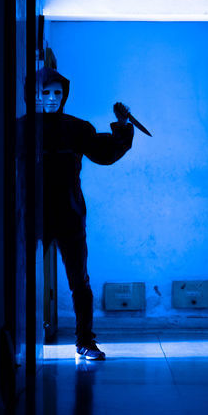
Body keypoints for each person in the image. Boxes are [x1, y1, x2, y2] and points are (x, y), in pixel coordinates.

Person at [34, 56, 135, 360]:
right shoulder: (21, 128)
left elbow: (105, 153)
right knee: (19, 278)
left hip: (69, 213)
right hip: (30, 214)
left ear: (64, 95)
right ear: (34, 94)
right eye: (45, 93)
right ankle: (20, 342)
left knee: (80, 280)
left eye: (57, 93)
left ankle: (85, 341)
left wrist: (123, 126)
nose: (51, 98)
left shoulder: (76, 128)